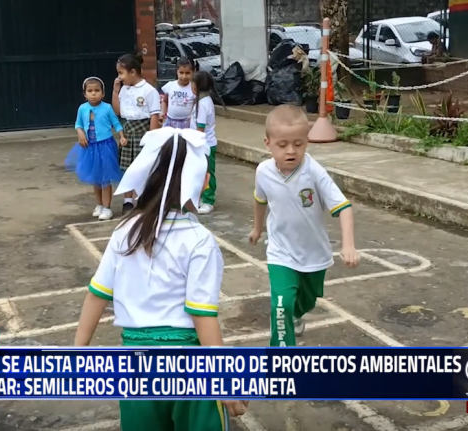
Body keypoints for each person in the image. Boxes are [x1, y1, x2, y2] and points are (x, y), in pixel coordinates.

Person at [74, 127, 248, 430]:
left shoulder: (124, 231)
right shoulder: (199, 241)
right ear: (203, 181)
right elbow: (202, 315)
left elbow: (97, 294)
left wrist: (79, 352)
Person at [248, 105, 360, 347]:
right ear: (267, 143)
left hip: (313, 253)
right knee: (281, 304)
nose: (291, 151)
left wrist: (348, 244)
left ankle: (298, 314)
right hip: (280, 251)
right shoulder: (263, 172)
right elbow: (260, 200)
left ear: (307, 141)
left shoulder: (314, 172)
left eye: (298, 144)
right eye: (283, 145)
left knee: (306, 300)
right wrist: (258, 228)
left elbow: (343, 207)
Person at [65, 77, 127, 221]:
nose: (94, 94)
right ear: (85, 94)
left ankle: (107, 207)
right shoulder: (82, 108)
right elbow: (78, 124)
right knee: (95, 178)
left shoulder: (107, 108)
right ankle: (99, 204)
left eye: (97, 91)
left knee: (105, 178)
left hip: (105, 146)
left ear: (103, 93)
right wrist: (80, 133)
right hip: (89, 147)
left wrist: (122, 136)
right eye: (90, 91)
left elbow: (116, 123)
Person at [112, 53, 161, 215]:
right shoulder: (124, 89)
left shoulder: (149, 91)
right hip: (128, 131)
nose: (119, 77)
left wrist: (152, 139)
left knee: (144, 168)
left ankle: (145, 199)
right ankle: (128, 201)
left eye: (121, 73)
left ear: (133, 72)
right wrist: (115, 91)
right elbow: (118, 111)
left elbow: (154, 115)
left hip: (143, 131)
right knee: (128, 169)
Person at [190, 71, 222, 215]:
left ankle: (208, 200)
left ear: (196, 86)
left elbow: (200, 128)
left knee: (207, 173)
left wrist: (195, 143)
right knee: (200, 172)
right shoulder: (202, 101)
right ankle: (201, 197)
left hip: (205, 145)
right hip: (201, 144)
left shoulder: (203, 104)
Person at [160, 58, 196, 129]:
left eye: (187, 73)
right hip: (170, 122)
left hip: (186, 123)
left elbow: (195, 106)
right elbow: (165, 101)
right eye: (181, 73)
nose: (184, 76)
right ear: (177, 72)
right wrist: (163, 112)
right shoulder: (170, 85)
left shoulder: (194, 88)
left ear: (193, 72)